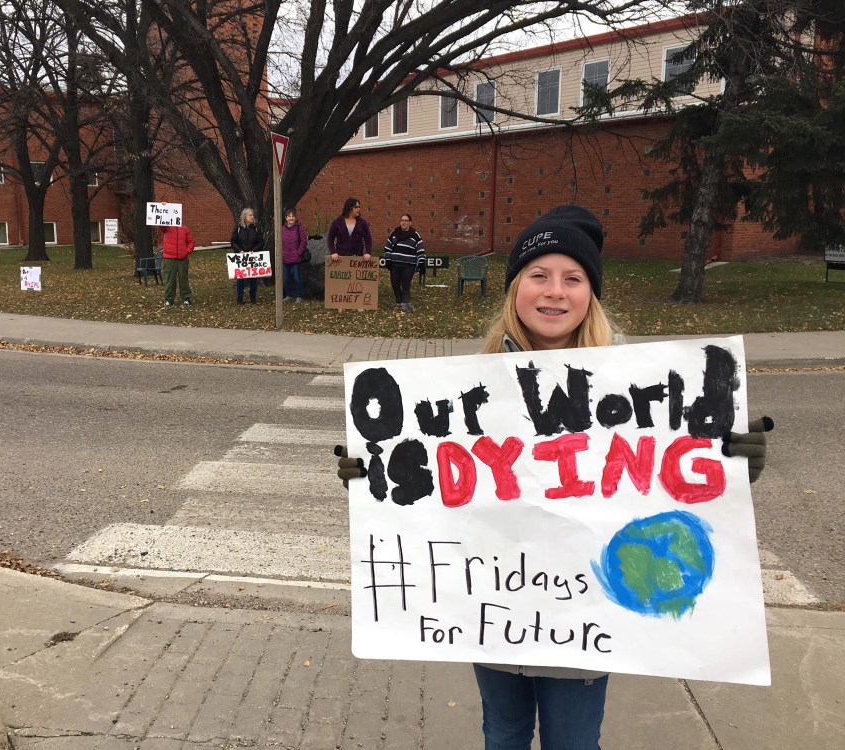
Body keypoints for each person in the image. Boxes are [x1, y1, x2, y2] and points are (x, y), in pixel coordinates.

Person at [335, 204, 773, 750]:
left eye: (573, 278)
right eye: (538, 275)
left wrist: (730, 463)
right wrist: (374, 470)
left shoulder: (638, 389)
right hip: (492, 608)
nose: (554, 292)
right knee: (503, 732)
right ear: (515, 288)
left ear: (591, 294)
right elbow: (436, 488)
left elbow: (666, 481)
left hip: (585, 614)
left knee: (572, 741)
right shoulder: (468, 384)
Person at [383, 213, 426, 312]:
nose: (403, 222)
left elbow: (420, 250)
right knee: (395, 284)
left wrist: (421, 262)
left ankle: (406, 303)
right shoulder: (394, 233)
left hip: (409, 265)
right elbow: (387, 247)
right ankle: (399, 301)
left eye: (406, 220)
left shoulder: (415, 235)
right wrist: (388, 260)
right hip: (395, 264)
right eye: (402, 220)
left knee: (406, 284)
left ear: (410, 223)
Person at [231, 207, 265, 304]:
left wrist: (254, 250)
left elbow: (261, 242)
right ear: (245, 216)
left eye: (253, 215)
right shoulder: (238, 228)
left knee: (253, 278)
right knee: (240, 278)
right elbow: (233, 241)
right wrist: (239, 250)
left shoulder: (256, 228)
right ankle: (239, 299)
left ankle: (253, 298)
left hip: (253, 257)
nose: (252, 217)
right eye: (250, 215)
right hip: (241, 257)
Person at [159, 223, 195, 307]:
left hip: (182, 259)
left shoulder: (185, 228)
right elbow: (160, 225)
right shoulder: (166, 227)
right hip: (169, 258)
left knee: (183, 279)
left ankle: (186, 298)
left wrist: (187, 251)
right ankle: (169, 300)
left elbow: (191, 242)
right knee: (170, 279)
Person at [281, 207, 307, 303]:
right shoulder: (282, 229)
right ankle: (289, 295)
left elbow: (304, 241)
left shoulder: (299, 228)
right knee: (287, 278)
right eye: (289, 216)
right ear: (286, 218)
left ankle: (299, 296)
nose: (291, 218)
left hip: (296, 258)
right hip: (285, 257)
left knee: (297, 278)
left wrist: (298, 253)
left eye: (293, 216)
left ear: (295, 218)